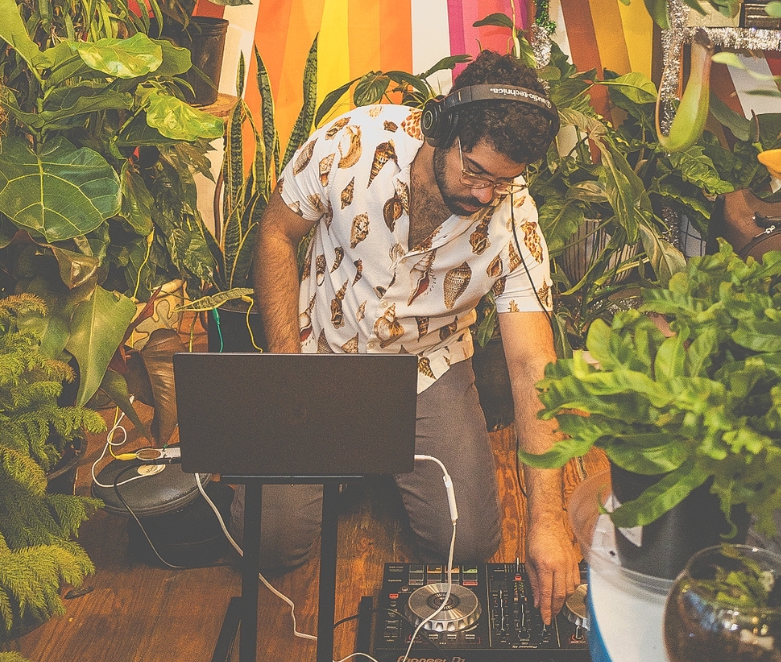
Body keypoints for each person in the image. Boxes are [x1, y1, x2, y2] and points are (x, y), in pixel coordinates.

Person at [232, 50, 581, 622]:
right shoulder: (352, 142)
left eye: (505, 181)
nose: (485, 196)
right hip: (321, 353)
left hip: (427, 368)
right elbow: (276, 231)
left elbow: (531, 362)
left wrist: (548, 519)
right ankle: (362, 460)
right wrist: (286, 369)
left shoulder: (513, 218)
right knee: (272, 545)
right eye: (475, 172)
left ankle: (368, 461)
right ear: (443, 127)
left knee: (467, 547)